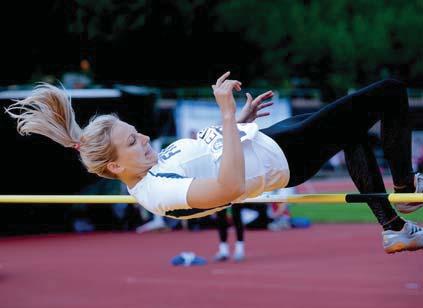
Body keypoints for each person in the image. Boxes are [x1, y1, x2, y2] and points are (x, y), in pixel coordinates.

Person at [5, 72, 423, 254]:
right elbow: (226, 188)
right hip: (284, 157)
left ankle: (394, 229)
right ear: (115, 167)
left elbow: (208, 156)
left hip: (271, 140)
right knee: (389, 91)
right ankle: (404, 193)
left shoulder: (152, 164)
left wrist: (238, 121)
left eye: (138, 132)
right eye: (133, 140)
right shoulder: (156, 191)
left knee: (354, 129)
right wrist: (224, 113)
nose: (146, 138)